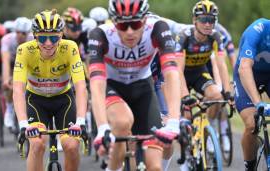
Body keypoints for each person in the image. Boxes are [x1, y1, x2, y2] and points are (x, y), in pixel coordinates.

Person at [88, 0, 182, 170]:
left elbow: (171, 74)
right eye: (123, 26)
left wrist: (174, 121)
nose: (130, 32)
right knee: (123, 123)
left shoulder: (158, 28)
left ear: (145, 20)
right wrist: (102, 128)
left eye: (135, 24)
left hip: (143, 89)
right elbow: (96, 84)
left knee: (156, 165)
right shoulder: (100, 35)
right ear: (114, 23)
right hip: (113, 87)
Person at [13, 9, 87, 171]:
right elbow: (18, 89)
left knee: (72, 145)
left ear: (61, 35)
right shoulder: (24, 50)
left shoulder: (70, 48)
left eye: (54, 37)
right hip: (36, 100)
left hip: (63, 100)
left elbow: (80, 86)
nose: (48, 43)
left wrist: (81, 121)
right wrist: (23, 124)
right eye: (42, 38)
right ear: (34, 36)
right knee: (37, 144)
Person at [176, 0, 232, 151]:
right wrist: (185, 96)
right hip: (181, 75)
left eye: (211, 20)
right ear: (194, 20)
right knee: (186, 117)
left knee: (217, 96)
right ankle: (187, 156)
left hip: (199, 72)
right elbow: (178, 70)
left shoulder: (216, 37)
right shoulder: (184, 37)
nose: (208, 24)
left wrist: (227, 92)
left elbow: (222, 66)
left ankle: (209, 128)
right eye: (203, 19)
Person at [233, 18, 270, 171]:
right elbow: (244, 67)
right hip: (246, 75)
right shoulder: (258, 29)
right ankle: (250, 166)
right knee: (251, 124)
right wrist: (258, 102)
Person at [1, 17, 33, 129]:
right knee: (10, 84)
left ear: (28, 33)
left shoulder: (32, 39)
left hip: (26, 63)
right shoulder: (7, 39)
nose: (20, 35)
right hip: (11, 62)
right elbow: (5, 61)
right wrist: (6, 80)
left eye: (23, 33)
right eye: (18, 32)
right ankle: (9, 109)